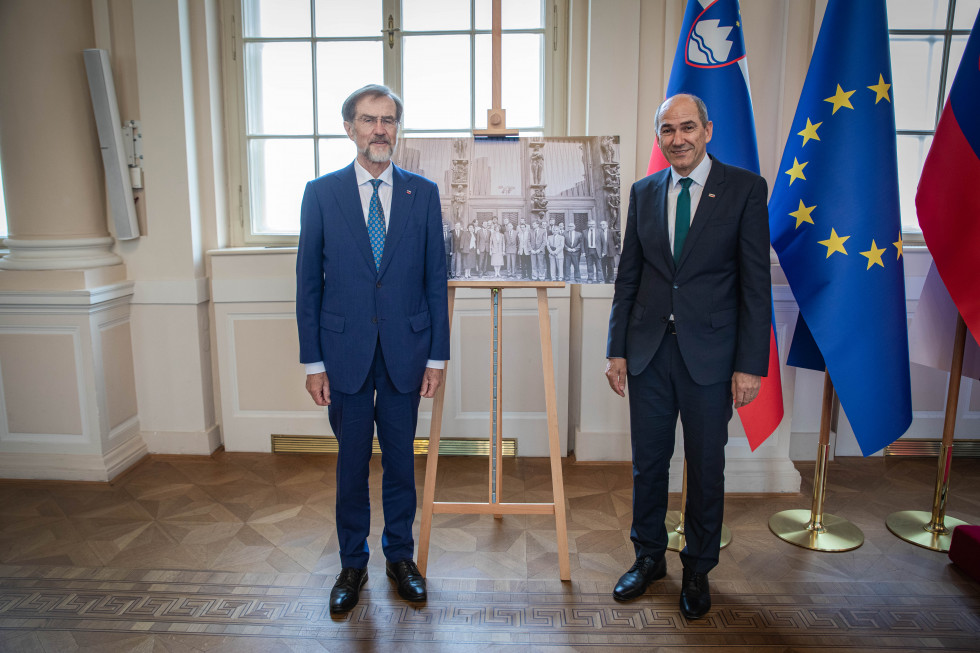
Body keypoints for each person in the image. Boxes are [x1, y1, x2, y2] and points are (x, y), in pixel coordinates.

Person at [604, 94, 771, 620]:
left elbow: (755, 285)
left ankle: (697, 568)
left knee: (705, 465)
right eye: (668, 130)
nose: (678, 138)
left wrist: (750, 363)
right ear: (658, 136)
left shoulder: (744, 189)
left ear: (708, 130)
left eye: (688, 128)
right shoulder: (644, 191)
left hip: (712, 358)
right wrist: (616, 351)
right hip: (649, 353)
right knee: (647, 465)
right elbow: (629, 275)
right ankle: (649, 556)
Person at [296, 84, 450, 615]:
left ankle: (400, 558)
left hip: (407, 352)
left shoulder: (423, 194)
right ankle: (352, 563)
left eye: (388, 120)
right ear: (350, 128)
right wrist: (313, 362)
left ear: (397, 129)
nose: (379, 130)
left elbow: (436, 280)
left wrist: (437, 357)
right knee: (352, 463)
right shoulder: (321, 193)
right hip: (345, 355)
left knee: (402, 464)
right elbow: (307, 287)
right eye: (368, 120)